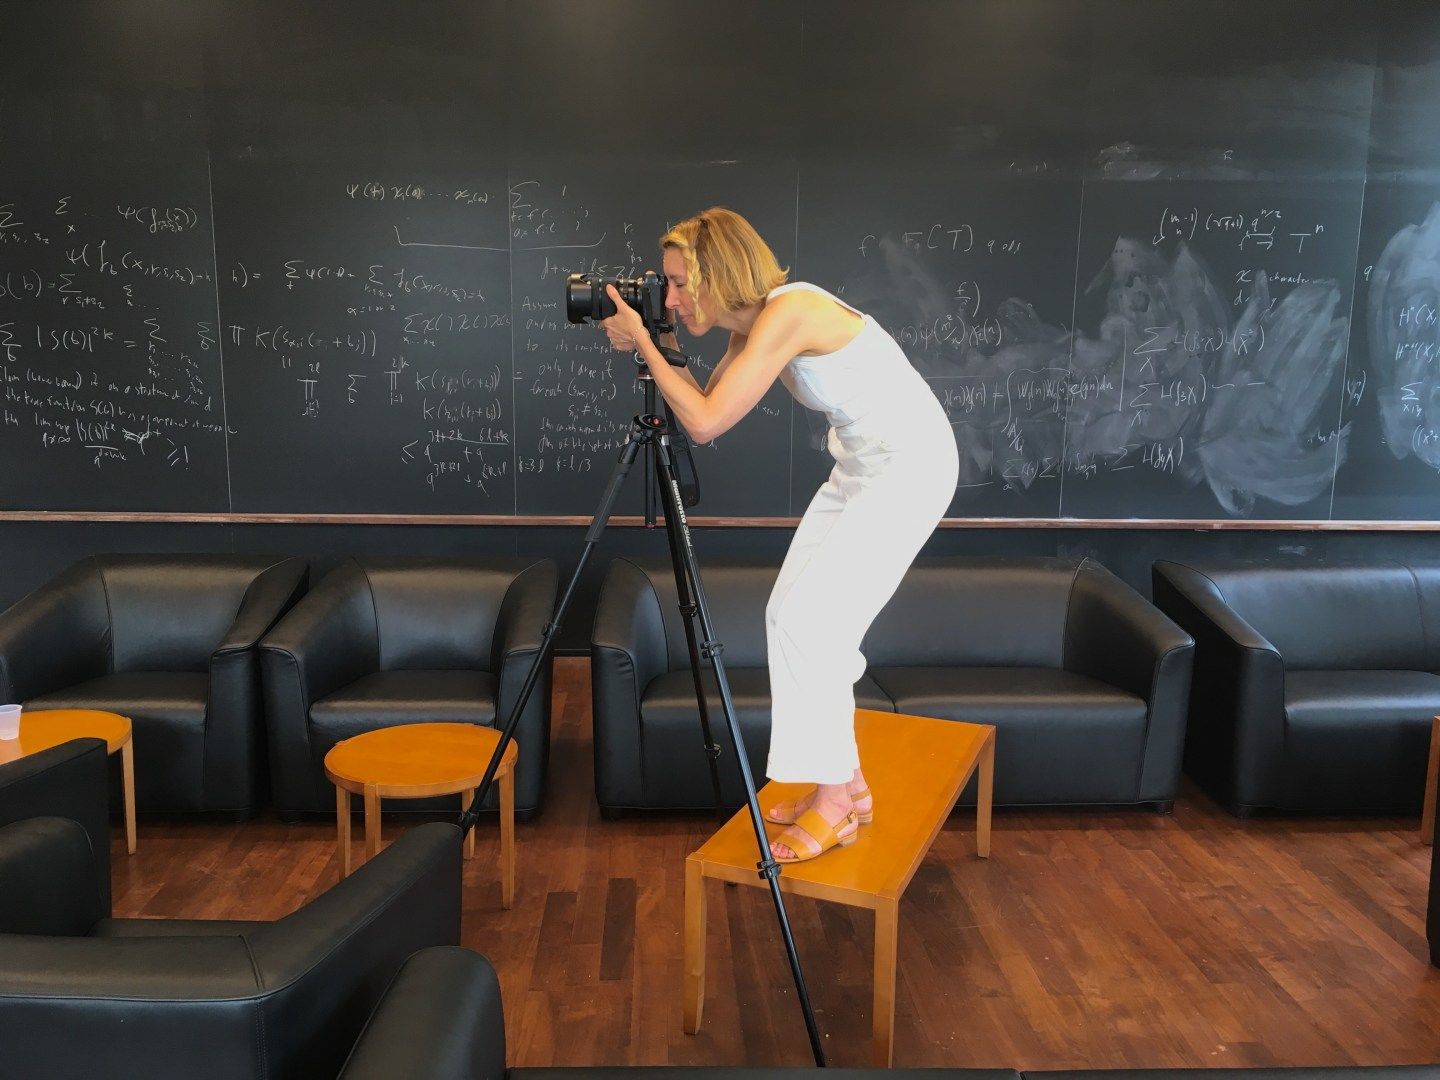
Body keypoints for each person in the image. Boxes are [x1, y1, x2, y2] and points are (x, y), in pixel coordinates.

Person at [598, 206, 958, 863]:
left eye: (679, 284)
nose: (670, 298)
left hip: (908, 469)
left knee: (812, 625)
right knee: (788, 615)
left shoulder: (789, 312)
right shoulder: (752, 327)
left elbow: (703, 422)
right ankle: (847, 784)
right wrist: (660, 341)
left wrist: (645, 343)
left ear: (718, 275)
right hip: (859, 469)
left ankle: (834, 802)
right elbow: (701, 399)